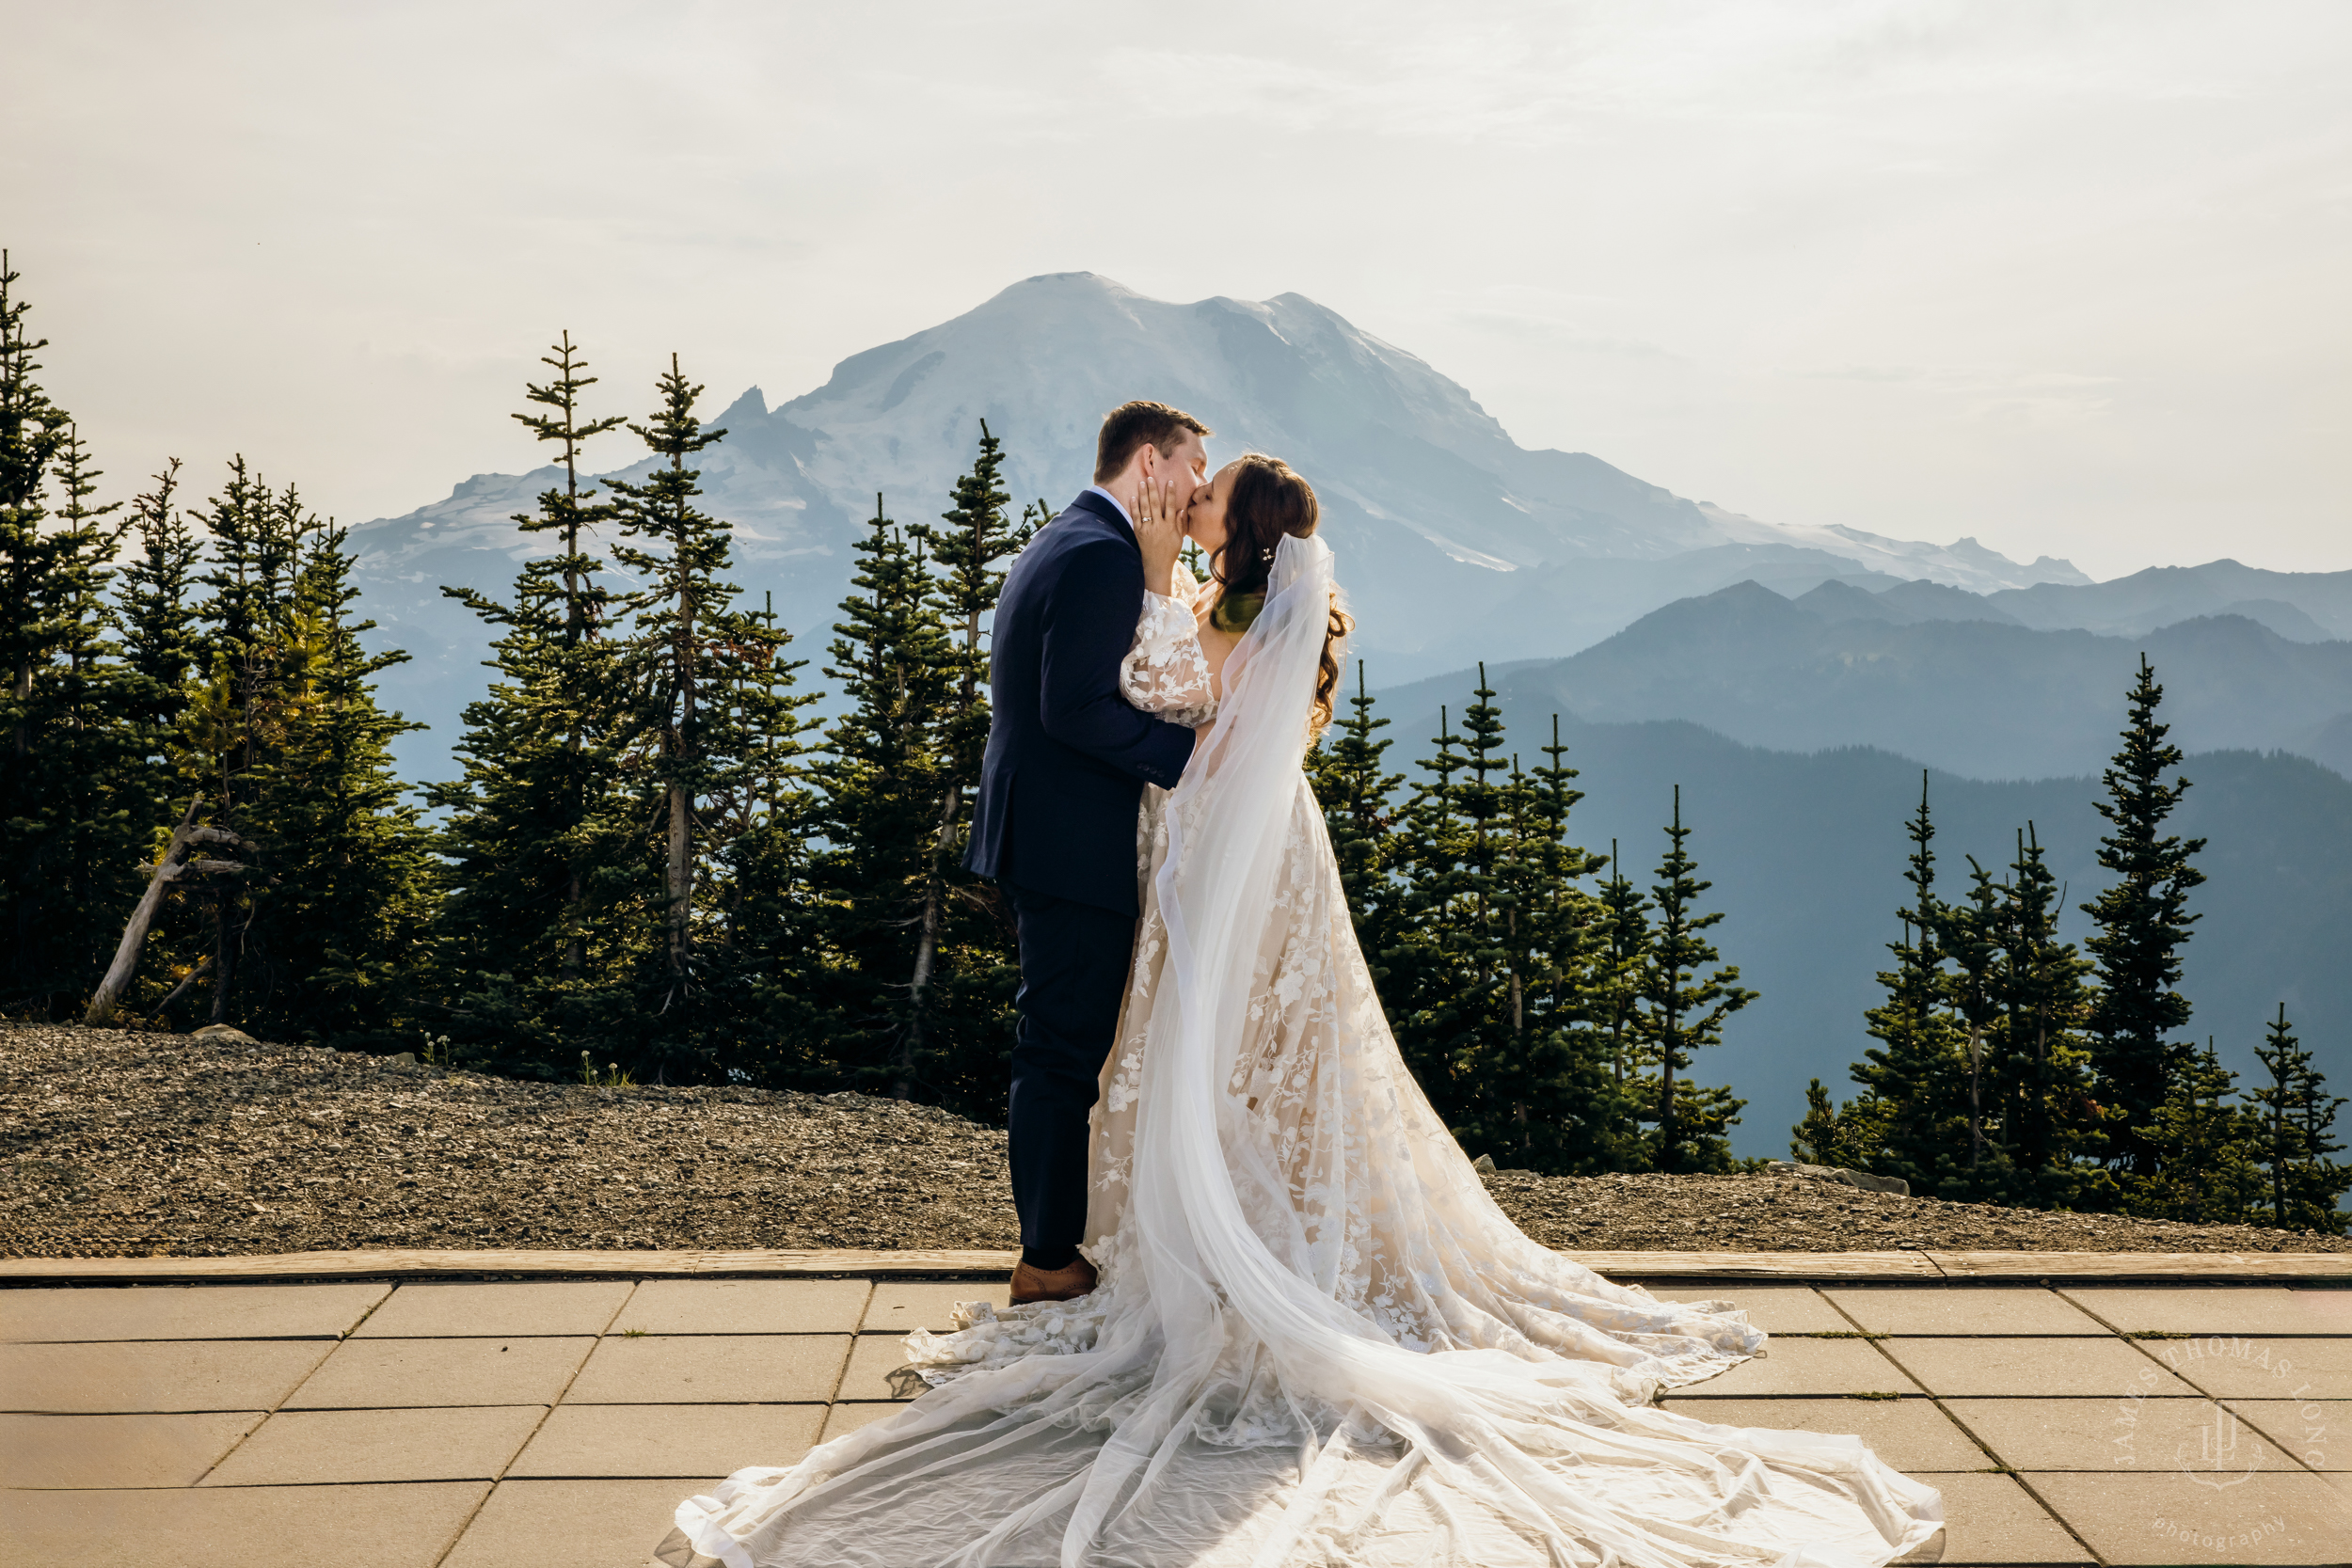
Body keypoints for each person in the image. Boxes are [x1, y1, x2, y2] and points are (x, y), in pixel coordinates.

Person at [657, 429, 1946, 1568]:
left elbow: (1155, 699)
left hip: (1224, 844)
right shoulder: (1288, 612)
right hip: (1273, 844)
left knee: (1211, 1035)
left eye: (1210, 493)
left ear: (1234, 525)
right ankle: (1248, 1221)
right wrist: (1174, 600)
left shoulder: (1206, 611)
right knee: (1273, 1041)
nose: (1195, 499)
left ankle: (1209, 1241)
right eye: (1189, 480)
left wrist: (1164, 588)